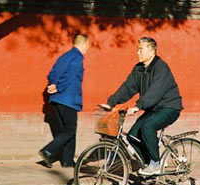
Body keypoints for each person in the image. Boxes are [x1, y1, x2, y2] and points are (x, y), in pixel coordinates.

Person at [100, 37, 183, 175]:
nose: (137, 53)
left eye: (141, 49)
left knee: (147, 127)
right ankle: (149, 163)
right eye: (137, 49)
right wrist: (111, 102)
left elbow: (155, 91)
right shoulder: (139, 69)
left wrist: (139, 106)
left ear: (152, 52)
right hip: (153, 109)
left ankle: (155, 163)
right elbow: (128, 87)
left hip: (169, 107)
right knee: (132, 136)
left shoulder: (161, 67)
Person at [39, 34, 90, 168]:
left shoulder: (64, 56)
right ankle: (48, 150)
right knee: (70, 130)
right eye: (87, 46)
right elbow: (71, 77)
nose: (87, 49)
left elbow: (52, 74)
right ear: (83, 44)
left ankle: (67, 161)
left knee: (66, 130)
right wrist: (58, 87)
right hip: (68, 98)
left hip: (57, 100)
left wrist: (52, 84)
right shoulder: (77, 58)